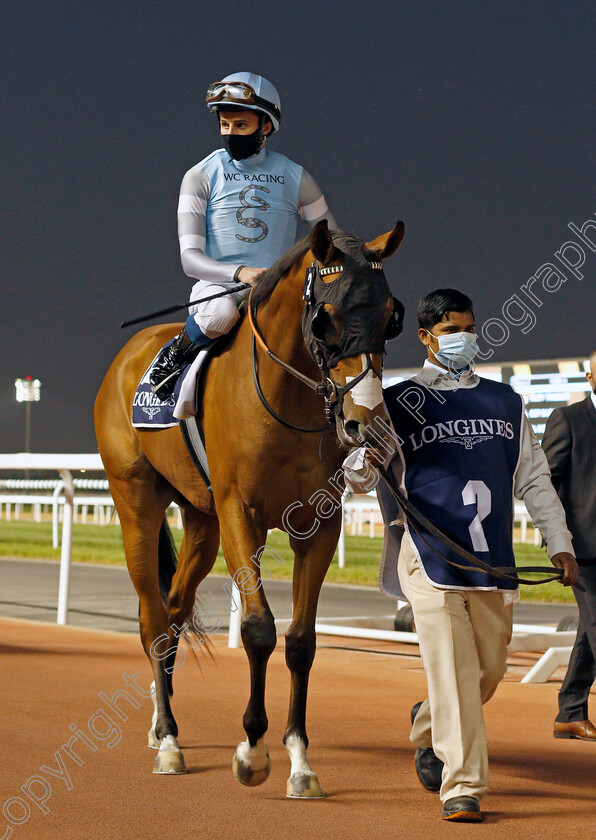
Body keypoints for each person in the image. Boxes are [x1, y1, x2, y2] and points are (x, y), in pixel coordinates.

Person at [343, 288, 577, 822]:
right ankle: (463, 785)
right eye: (451, 330)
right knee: (451, 668)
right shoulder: (400, 403)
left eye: (468, 327)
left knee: (487, 671)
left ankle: (428, 722)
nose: (463, 338)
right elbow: (358, 477)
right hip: (427, 555)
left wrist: (559, 543)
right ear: (426, 337)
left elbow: (535, 480)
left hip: (492, 560)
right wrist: (363, 448)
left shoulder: (505, 401)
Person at [150, 71, 336, 399]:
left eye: (241, 125)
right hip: (219, 287)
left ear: (265, 126)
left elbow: (332, 240)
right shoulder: (199, 176)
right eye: (225, 125)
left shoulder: (297, 177)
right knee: (220, 314)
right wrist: (240, 273)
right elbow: (189, 259)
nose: (231, 133)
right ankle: (175, 354)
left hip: (278, 289)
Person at [542, 348, 596, 742]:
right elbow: (544, 485)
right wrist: (555, 540)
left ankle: (570, 712)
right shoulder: (568, 419)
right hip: (584, 551)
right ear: (591, 378)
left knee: (588, 631)